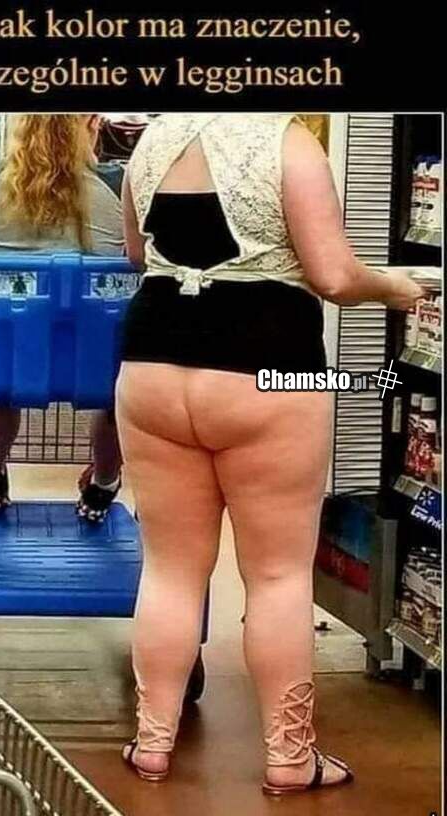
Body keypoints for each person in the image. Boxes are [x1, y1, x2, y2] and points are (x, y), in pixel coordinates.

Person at [116, 114, 424, 793]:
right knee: (278, 576)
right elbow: (333, 275)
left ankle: (153, 744)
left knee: (169, 570)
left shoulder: (155, 139)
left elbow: (139, 254)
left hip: (153, 365)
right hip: (268, 368)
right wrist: (396, 287)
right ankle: (290, 756)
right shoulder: (289, 143)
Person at [0, 114, 125, 520]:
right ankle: (103, 484)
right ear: (90, 123)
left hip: (8, 359)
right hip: (92, 363)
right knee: (116, 389)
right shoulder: (117, 184)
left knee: (2, 368)